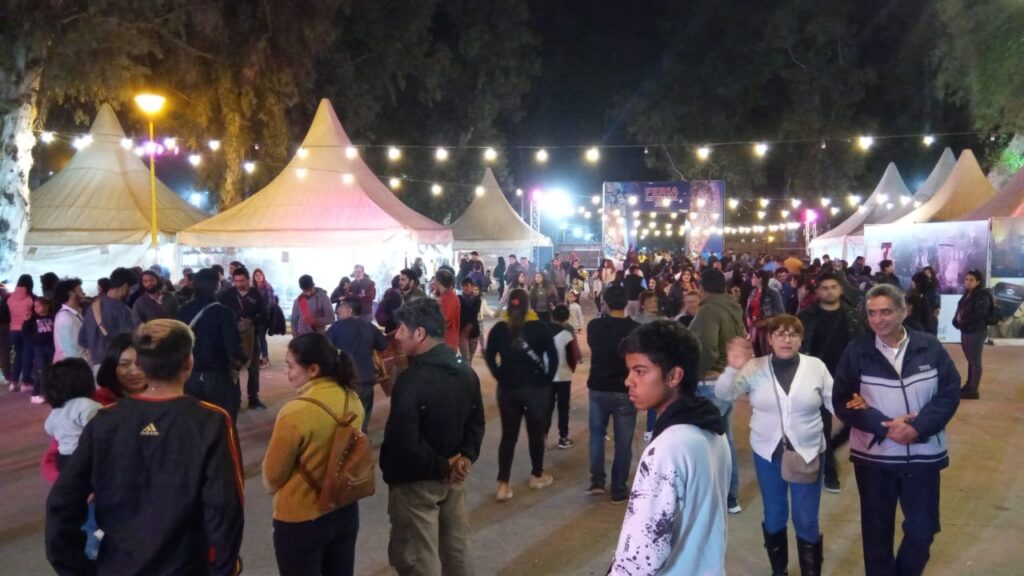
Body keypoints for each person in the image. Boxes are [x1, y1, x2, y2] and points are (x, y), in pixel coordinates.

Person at [46, 319, 244, 575]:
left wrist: (75, 567)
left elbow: (62, 501)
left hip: (117, 565)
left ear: (140, 364)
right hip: (187, 566)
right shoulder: (210, 421)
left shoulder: (106, 420)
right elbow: (225, 507)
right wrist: (224, 568)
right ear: (188, 362)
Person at [833, 284, 961, 576]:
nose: (878, 320)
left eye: (886, 312)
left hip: (923, 455)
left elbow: (950, 391)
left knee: (923, 530)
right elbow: (842, 400)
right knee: (876, 534)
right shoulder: (857, 351)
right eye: (872, 313)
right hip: (875, 458)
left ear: (903, 312)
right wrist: (883, 426)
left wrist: (917, 427)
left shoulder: (929, 346)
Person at [717, 316, 834, 575]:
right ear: (770, 339)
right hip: (767, 453)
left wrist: (856, 409)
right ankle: (779, 571)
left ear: (800, 339)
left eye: (793, 334)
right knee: (774, 514)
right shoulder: (755, 366)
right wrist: (733, 368)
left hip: (808, 452)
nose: (786, 339)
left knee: (806, 519)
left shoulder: (816, 366)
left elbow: (833, 401)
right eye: (780, 334)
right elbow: (724, 394)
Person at [611, 320, 729, 575]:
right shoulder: (712, 430)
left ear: (674, 376)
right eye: (630, 371)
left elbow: (642, 557)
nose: (629, 381)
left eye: (640, 371)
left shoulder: (667, 449)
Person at [380, 298, 485, 576]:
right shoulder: (466, 372)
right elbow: (477, 421)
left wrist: (443, 467)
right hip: (456, 476)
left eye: (402, 329)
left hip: (417, 482)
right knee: (456, 544)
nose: (397, 335)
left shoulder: (411, 381)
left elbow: (404, 441)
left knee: (417, 553)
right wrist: (465, 457)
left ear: (419, 333)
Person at [262, 333, 365, 576]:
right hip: (343, 508)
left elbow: (272, 477)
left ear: (313, 369)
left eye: (291, 366)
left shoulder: (295, 412)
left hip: (301, 518)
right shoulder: (352, 399)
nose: (286, 372)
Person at [484, 288, 559, 501]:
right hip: (535, 388)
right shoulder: (540, 327)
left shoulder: (499, 329)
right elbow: (553, 358)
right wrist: (546, 379)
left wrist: (500, 375)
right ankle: (537, 475)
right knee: (536, 433)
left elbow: (489, 356)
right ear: (528, 305)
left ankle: (503, 485)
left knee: (508, 436)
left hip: (508, 389)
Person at [798, 272, 865, 494]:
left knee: (856, 419)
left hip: (847, 378)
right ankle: (829, 471)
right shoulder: (807, 316)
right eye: (825, 288)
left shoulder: (853, 316)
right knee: (823, 426)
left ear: (841, 289)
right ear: (818, 292)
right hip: (817, 378)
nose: (829, 291)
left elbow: (863, 344)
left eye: (833, 287)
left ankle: (830, 450)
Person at [688, 267, 745, 514]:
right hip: (727, 381)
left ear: (701, 288)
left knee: (704, 444)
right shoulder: (733, 308)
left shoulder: (709, 311)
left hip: (710, 384)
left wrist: (692, 375)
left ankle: (709, 499)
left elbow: (706, 349)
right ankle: (731, 497)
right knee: (725, 441)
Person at [585, 285, 640, 503]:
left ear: (605, 303)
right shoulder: (635, 329)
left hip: (599, 386)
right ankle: (618, 488)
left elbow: (594, 346)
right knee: (623, 441)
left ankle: (597, 481)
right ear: (626, 303)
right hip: (626, 389)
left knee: (597, 436)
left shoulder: (595, 326)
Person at [179, 268, 247, 422]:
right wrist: (242, 359)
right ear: (216, 286)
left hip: (189, 375)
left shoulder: (183, 310)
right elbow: (233, 346)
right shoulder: (224, 312)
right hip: (217, 375)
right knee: (222, 420)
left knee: (195, 420)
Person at [325, 297, 387, 432]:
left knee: (345, 415)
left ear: (349, 311)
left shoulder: (336, 327)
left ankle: (346, 440)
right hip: (367, 378)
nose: (337, 313)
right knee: (364, 413)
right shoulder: (370, 327)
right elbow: (383, 345)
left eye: (340, 310)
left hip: (346, 378)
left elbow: (324, 349)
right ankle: (361, 437)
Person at [220, 266, 267, 410]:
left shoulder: (256, 295)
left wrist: (252, 320)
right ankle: (236, 399)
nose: (239, 284)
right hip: (232, 337)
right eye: (236, 281)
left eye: (242, 281)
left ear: (248, 280)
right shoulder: (227, 295)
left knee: (253, 368)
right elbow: (220, 314)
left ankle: (253, 398)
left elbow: (264, 315)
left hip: (252, 336)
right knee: (234, 369)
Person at [43, 358, 102, 471]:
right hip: (85, 455)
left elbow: (48, 429)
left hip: (63, 458)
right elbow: (100, 428)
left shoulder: (57, 409)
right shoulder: (86, 405)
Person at [78, 267, 138, 370]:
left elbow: (82, 340)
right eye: (132, 289)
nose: (131, 292)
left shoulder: (93, 307)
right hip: (117, 366)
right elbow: (130, 342)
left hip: (96, 367)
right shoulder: (123, 310)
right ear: (125, 286)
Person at [952, 269, 993, 400]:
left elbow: (981, 314)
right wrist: (956, 320)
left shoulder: (982, 295)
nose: (968, 282)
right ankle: (968, 386)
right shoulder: (968, 293)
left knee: (975, 361)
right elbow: (961, 309)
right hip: (967, 330)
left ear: (978, 282)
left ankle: (973, 390)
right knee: (971, 360)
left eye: (971, 280)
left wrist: (963, 322)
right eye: (966, 279)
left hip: (976, 331)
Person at [548, 304, 580, 449]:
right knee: (563, 408)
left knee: (547, 407)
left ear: (552, 317)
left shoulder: (544, 332)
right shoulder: (567, 335)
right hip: (563, 376)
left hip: (548, 376)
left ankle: (542, 437)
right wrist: (571, 369)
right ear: (566, 318)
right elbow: (572, 357)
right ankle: (563, 437)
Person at [7, 274, 36, 392]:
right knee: (27, 355)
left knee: (18, 355)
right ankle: (25, 382)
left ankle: (13, 382)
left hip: (13, 330)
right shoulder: (32, 298)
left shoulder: (10, 298)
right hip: (27, 330)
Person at [24, 297, 56, 403]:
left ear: (47, 306)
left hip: (51, 346)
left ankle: (50, 391)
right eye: (35, 306)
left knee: (52, 368)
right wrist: (26, 320)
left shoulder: (53, 317)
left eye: (39, 305)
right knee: (40, 369)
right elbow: (25, 331)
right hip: (39, 347)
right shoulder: (33, 318)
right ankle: (36, 393)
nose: (36, 308)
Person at [747, 269, 785, 356]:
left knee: (767, 352)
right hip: (754, 327)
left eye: (753, 277)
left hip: (767, 327)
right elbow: (748, 307)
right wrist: (748, 316)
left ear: (760, 279)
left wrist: (767, 320)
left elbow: (780, 311)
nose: (751, 279)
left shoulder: (773, 292)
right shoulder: (753, 292)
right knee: (757, 351)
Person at [52, 278, 88, 363]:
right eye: (80, 290)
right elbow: (71, 351)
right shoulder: (66, 317)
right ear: (71, 294)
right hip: (73, 365)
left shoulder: (74, 313)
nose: (84, 293)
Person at [253, 268, 275, 368]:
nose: (258, 277)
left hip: (264, 317)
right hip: (255, 317)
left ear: (263, 276)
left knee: (261, 337)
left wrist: (263, 313)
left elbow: (270, 303)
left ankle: (265, 358)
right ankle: (259, 358)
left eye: (260, 275)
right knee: (257, 338)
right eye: (256, 275)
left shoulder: (267, 287)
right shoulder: (253, 288)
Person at [434, 269, 461, 353]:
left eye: (435, 280)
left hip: (446, 342)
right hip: (447, 342)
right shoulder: (447, 296)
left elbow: (444, 320)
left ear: (438, 281)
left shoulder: (447, 298)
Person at [457, 279, 482, 362]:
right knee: (466, 358)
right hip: (462, 333)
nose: (465, 288)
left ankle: (468, 370)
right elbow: (467, 315)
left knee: (470, 357)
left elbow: (474, 313)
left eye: (467, 285)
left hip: (474, 332)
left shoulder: (477, 300)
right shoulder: (458, 299)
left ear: (472, 287)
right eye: (463, 286)